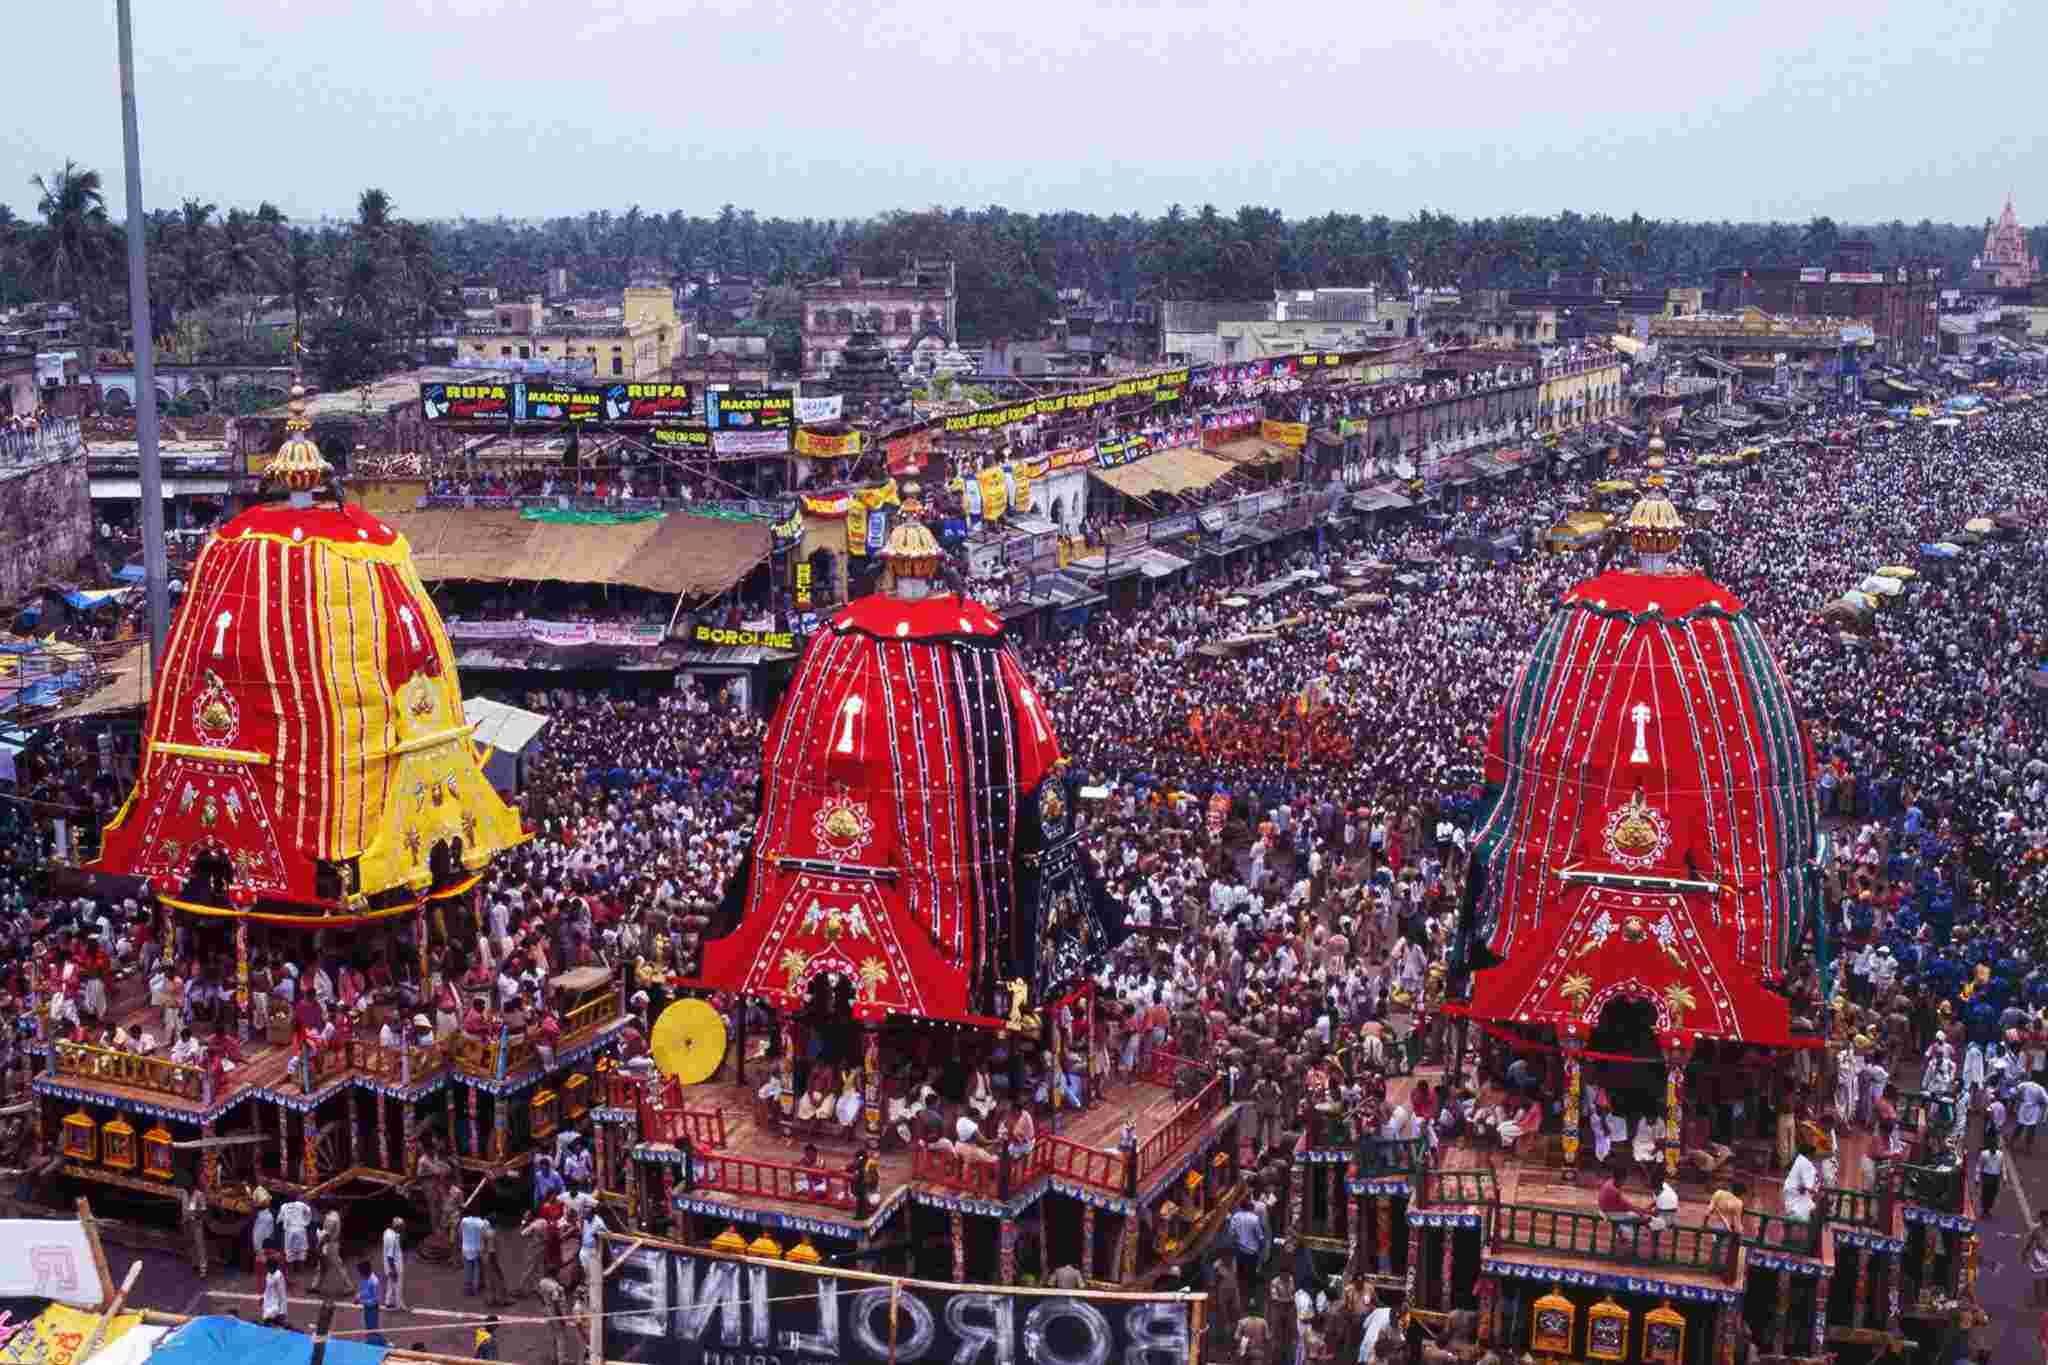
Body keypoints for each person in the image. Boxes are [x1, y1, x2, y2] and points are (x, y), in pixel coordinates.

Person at [1229, 1201, 1268, 1296]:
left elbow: (1231, 1234)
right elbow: (1260, 1236)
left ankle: (1240, 1296)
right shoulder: (1254, 1218)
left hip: (1239, 1251)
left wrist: (1235, 1245)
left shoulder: (1235, 1217)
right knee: (1251, 1275)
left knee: (1240, 1275)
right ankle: (1251, 1298)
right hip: (1252, 1251)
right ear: (1251, 1208)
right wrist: (1263, 1247)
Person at [310, 1205, 348, 1295]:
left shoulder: (330, 1219)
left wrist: (318, 1246)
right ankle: (315, 1286)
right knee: (321, 1267)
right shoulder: (334, 1214)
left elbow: (326, 1236)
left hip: (330, 1245)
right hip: (331, 1243)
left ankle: (349, 1286)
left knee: (338, 1266)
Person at [1783, 1140, 1821, 1222]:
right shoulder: (1805, 1163)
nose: (1814, 1157)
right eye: (1814, 1155)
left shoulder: (1798, 1160)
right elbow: (1811, 1189)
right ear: (1808, 1155)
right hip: (1798, 1202)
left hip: (1792, 1200)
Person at [356, 1260, 385, 1347]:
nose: (359, 1274)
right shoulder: (364, 1278)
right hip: (367, 1307)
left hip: (372, 1308)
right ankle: (373, 1341)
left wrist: (361, 1301)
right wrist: (359, 1296)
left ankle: (380, 1344)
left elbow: (376, 1300)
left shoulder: (375, 1282)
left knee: (372, 1327)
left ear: (365, 1271)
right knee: (369, 1327)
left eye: (360, 1272)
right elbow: (364, 1290)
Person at [382, 1217, 409, 1310]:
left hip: (389, 1264)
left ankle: (388, 1302)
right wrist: (393, 1270)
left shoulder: (387, 1232)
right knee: (398, 1285)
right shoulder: (392, 1238)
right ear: (398, 1227)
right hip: (394, 1265)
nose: (403, 1228)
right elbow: (390, 1256)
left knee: (391, 1283)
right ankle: (399, 1305)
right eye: (402, 1226)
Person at [460, 1212, 488, 1296]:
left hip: (466, 1248)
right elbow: (484, 1237)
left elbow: (460, 1232)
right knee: (477, 1269)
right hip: (477, 1249)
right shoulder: (482, 1223)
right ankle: (477, 1287)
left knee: (468, 1269)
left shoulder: (464, 1220)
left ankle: (468, 1289)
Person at [2017, 1077, 2047, 1154]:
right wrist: (2041, 1102)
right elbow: (2046, 1101)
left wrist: (2020, 1097)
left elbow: (2017, 1089)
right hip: (2034, 1110)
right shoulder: (2041, 1088)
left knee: (2020, 1125)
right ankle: (2028, 1148)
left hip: (2024, 1107)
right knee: (2031, 1129)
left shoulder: (2025, 1084)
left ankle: (2011, 1142)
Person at [260, 1254, 289, 1327]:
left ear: (274, 1267)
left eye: (268, 1267)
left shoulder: (279, 1276)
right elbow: (267, 1288)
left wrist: (282, 1312)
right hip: (268, 1303)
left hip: (275, 1306)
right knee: (267, 1324)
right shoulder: (269, 1274)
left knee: (270, 1324)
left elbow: (283, 1295)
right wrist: (263, 1297)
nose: (267, 1268)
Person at [2027, 1210, 2048, 1307]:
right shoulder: (2037, 1231)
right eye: (2044, 1218)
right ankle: (2038, 1300)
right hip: (2040, 1257)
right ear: (2041, 1219)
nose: (2046, 1220)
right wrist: (2024, 1252)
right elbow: (2030, 1242)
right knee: (2038, 1279)